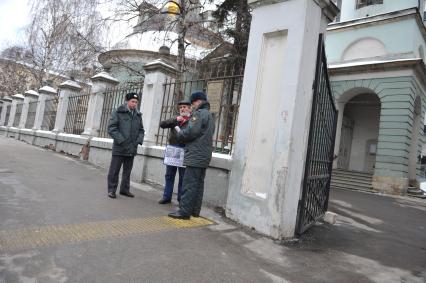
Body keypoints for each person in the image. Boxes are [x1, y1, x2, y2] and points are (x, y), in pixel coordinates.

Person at [168, 91, 214, 219]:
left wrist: (179, 132)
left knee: (189, 184)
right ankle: (194, 211)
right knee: (199, 184)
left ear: (197, 101)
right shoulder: (210, 116)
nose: (192, 106)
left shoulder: (199, 114)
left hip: (195, 154)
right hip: (204, 155)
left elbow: (190, 132)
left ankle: (184, 212)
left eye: (193, 103)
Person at [107, 92, 145, 199]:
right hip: (120, 147)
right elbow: (111, 128)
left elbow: (141, 130)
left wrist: (138, 140)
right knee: (114, 170)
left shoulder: (138, 115)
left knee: (127, 171)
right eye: (132, 101)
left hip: (132, 147)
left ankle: (124, 189)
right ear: (127, 101)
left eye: (136, 102)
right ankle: (111, 190)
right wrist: (121, 140)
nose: (134, 104)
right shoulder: (118, 112)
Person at [158, 100, 191, 204]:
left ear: (189, 108)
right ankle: (166, 197)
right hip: (173, 149)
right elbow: (162, 124)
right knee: (169, 175)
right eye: (181, 107)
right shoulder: (175, 119)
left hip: (184, 150)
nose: (182, 109)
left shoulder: (192, 119)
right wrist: (175, 119)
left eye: (185, 107)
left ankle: (181, 199)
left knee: (183, 176)